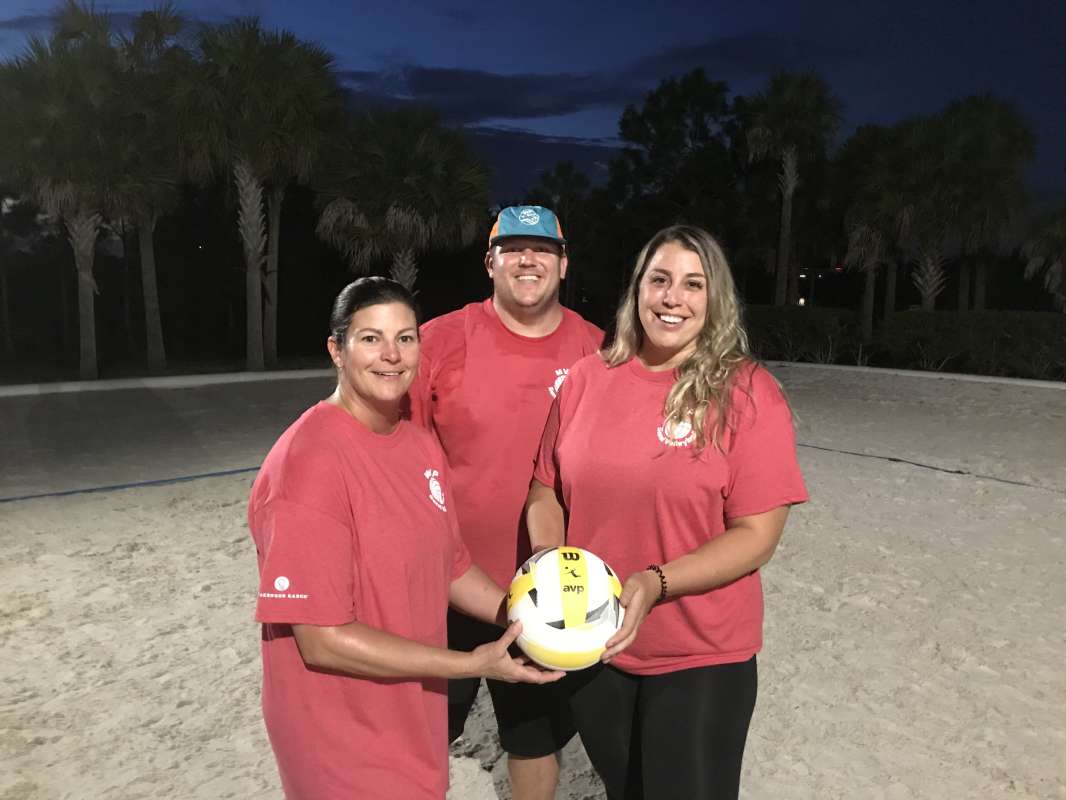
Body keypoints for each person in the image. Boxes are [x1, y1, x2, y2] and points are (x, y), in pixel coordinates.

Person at [248, 277, 562, 800]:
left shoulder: (418, 444)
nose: (391, 355)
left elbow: (452, 567)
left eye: (406, 338)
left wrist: (532, 621)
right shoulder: (309, 462)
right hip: (339, 732)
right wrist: (471, 664)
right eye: (371, 338)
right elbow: (322, 639)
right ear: (337, 350)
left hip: (411, 715)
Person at [526, 225, 808, 799]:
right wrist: (550, 565)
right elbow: (544, 491)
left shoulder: (747, 392)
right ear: (638, 290)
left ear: (715, 298)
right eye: (659, 280)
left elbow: (757, 535)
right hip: (595, 645)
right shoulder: (585, 380)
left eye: (692, 284)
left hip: (699, 652)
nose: (672, 298)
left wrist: (656, 581)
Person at [409, 205, 603, 800]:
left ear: (563, 264)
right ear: (490, 262)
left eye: (542, 249)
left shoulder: (599, 352)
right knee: (418, 735)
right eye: (513, 248)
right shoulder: (439, 340)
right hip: (446, 584)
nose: (527, 259)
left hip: (554, 593)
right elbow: (395, 456)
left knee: (534, 740)